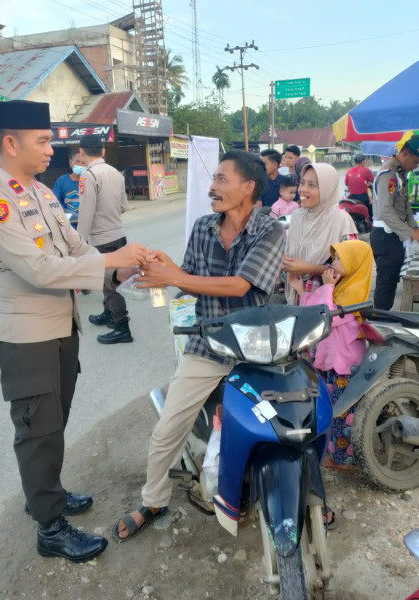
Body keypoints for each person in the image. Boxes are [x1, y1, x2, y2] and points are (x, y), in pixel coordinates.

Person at [0, 99, 147, 563]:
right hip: (25, 339)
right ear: (11, 142)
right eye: (44, 140)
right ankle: (49, 527)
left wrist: (119, 272)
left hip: (61, 330)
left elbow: (76, 248)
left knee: (54, 424)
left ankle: (43, 492)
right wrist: (114, 260)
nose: (53, 149)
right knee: (37, 432)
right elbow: (43, 269)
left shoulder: (43, 194)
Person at [111, 150, 284, 542]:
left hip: (258, 348)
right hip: (210, 344)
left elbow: (241, 285)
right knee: (167, 429)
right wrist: (166, 270)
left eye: (222, 179)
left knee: (284, 425)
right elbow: (190, 280)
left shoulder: (270, 231)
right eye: (214, 180)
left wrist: (174, 275)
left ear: (248, 187)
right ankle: (154, 499)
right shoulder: (204, 227)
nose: (212, 187)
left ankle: (301, 494)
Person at [288, 239, 372, 468]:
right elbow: (314, 312)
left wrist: (326, 287)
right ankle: (335, 453)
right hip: (332, 363)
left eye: (338, 259)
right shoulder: (343, 287)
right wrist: (300, 291)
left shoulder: (354, 295)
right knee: (330, 409)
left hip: (345, 365)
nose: (332, 263)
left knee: (342, 413)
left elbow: (325, 316)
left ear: (354, 264)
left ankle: (344, 460)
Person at [76, 134, 133, 344]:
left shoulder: (89, 175)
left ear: (81, 152)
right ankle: (108, 314)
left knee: (110, 285)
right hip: (118, 235)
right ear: (103, 151)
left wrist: (79, 243)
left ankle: (122, 327)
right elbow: (124, 206)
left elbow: (86, 212)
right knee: (106, 280)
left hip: (101, 239)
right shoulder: (115, 173)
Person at [283, 162, 358, 306]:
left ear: (327, 189)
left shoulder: (341, 220)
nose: (303, 190)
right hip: (298, 296)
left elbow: (351, 268)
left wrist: (309, 268)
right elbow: (290, 253)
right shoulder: (298, 216)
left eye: (312, 185)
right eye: (302, 183)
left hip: (328, 302)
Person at [370, 135, 419, 311]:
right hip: (385, 236)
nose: (416, 166)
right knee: (385, 282)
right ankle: (379, 320)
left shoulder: (400, 174)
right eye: (416, 161)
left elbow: (405, 206)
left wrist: (414, 226)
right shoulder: (388, 174)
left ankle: (385, 317)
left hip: (395, 235)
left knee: (391, 281)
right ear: (404, 153)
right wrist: (411, 233)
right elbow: (385, 211)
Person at [52, 150, 82, 218]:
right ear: (71, 163)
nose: (80, 165)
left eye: (83, 163)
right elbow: (55, 204)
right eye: (77, 162)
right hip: (69, 224)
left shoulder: (90, 181)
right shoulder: (62, 181)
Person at [344, 153, 375, 217]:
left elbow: (346, 183)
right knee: (371, 204)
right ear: (363, 162)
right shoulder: (366, 170)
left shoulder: (348, 171)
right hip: (363, 196)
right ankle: (370, 220)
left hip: (352, 196)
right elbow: (372, 180)